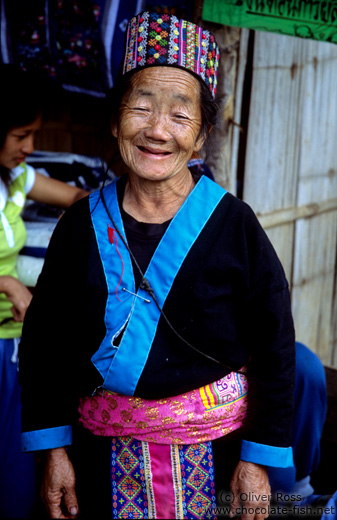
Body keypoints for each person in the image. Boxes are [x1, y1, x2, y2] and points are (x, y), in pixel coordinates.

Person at [19, 12, 296, 520]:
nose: (156, 130)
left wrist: (258, 461)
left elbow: (276, 346)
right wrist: (53, 452)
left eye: (179, 115)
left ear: (202, 135)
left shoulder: (234, 224)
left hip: (219, 454)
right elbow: (42, 346)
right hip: (97, 460)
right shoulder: (81, 225)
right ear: (115, 119)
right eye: (140, 107)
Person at [0, 63, 88, 518]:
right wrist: (7, 281)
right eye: (20, 135)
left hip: (9, 346)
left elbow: (77, 200)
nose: (30, 148)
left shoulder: (15, 180)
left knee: (15, 480)